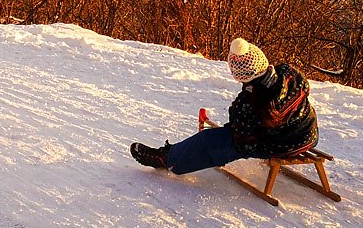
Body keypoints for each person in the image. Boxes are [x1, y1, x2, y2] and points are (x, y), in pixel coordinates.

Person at [131, 38, 317, 175]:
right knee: (235, 133)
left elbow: (244, 143)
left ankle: (169, 158)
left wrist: (231, 131)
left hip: (284, 145)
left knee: (212, 141)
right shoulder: (290, 74)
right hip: (308, 134)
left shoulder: (248, 105)